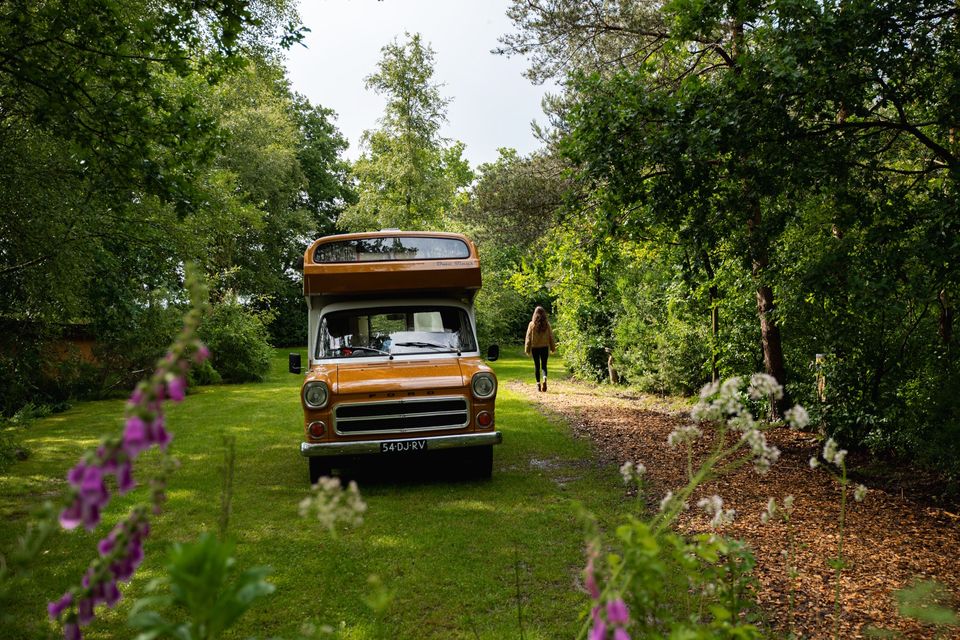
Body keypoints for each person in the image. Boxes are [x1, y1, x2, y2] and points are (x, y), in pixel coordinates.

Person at [524, 306, 557, 392]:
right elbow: (551, 337)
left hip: (535, 347)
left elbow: (528, 337)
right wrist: (553, 348)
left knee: (537, 366)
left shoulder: (531, 324)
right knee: (544, 366)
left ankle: (538, 384)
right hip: (545, 347)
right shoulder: (547, 324)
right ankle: (544, 378)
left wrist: (527, 349)